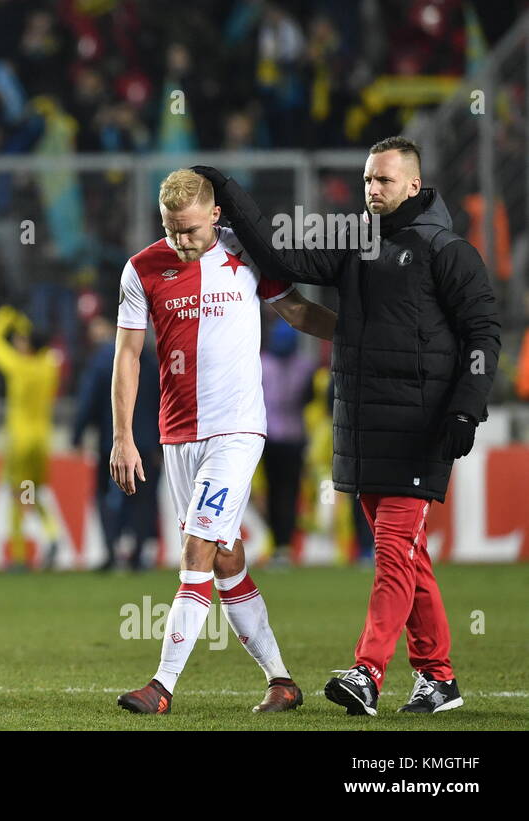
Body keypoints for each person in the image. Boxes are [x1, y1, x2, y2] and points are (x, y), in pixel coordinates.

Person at [195, 135, 501, 715]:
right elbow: (282, 259)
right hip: (360, 431)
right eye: (367, 180)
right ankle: (438, 678)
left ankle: (367, 671)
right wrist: (233, 197)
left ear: (414, 184)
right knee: (410, 559)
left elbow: (484, 336)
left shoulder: (449, 251)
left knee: (391, 555)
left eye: (384, 180)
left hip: (421, 431)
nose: (372, 189)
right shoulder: (354, 242)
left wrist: (466, 406)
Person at [113, 169, 336, 715]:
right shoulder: (142, 268)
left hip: (236, 431)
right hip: (177, 433)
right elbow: (127, 355)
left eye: (189, 230)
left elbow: (296, 309)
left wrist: (365, 334)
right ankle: (281, 681)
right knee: (227, 557)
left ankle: (162, 686)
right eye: (170, 230)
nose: (180, 241)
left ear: (215, 215)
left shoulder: (246, 255)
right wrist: (123, 436)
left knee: (196, 548)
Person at [71, 315, 159, 571]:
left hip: (113, 443)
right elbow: (165, 402)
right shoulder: (152, 360)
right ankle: (138, 554)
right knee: (144, 499)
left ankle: (111, 551)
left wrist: (77, 434)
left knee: (106, 496)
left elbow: (88, 400)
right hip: (148, 443)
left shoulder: (102, 361)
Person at [0, 304, 62, 570]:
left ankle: (17, 555)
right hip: (42, 440)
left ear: (27, 345)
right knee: (33, 492)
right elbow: (43, 345)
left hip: (20, 440)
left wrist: (8, 316)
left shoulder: (18, 365)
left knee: (17, 494)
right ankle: (52, 534)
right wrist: (27, 328)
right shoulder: (50, 364)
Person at [259, 318, 318, 566]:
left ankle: (279, 543)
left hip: (269, 436)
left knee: (275, 493)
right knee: (289, 493)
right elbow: (309, 398)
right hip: (293, 436)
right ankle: (284, 544)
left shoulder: (262, 363)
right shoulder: (305, 366)